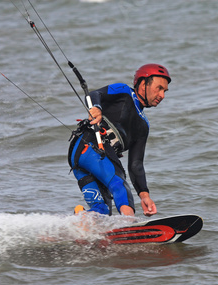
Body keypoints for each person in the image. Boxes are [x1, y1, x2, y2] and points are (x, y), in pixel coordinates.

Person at [68, 64, 171, 217]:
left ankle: (72, 226)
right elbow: (93, 95)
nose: (162, 95)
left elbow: (136, 164)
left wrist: (144, 195)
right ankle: (129, 223)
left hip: (82, 158)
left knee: (101, 212)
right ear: (143, 84)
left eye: (165, 91)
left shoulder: (144, 125)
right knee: (120, 185)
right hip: (90, 145)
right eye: (159, 88)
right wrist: (96, 108)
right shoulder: (124, 92)